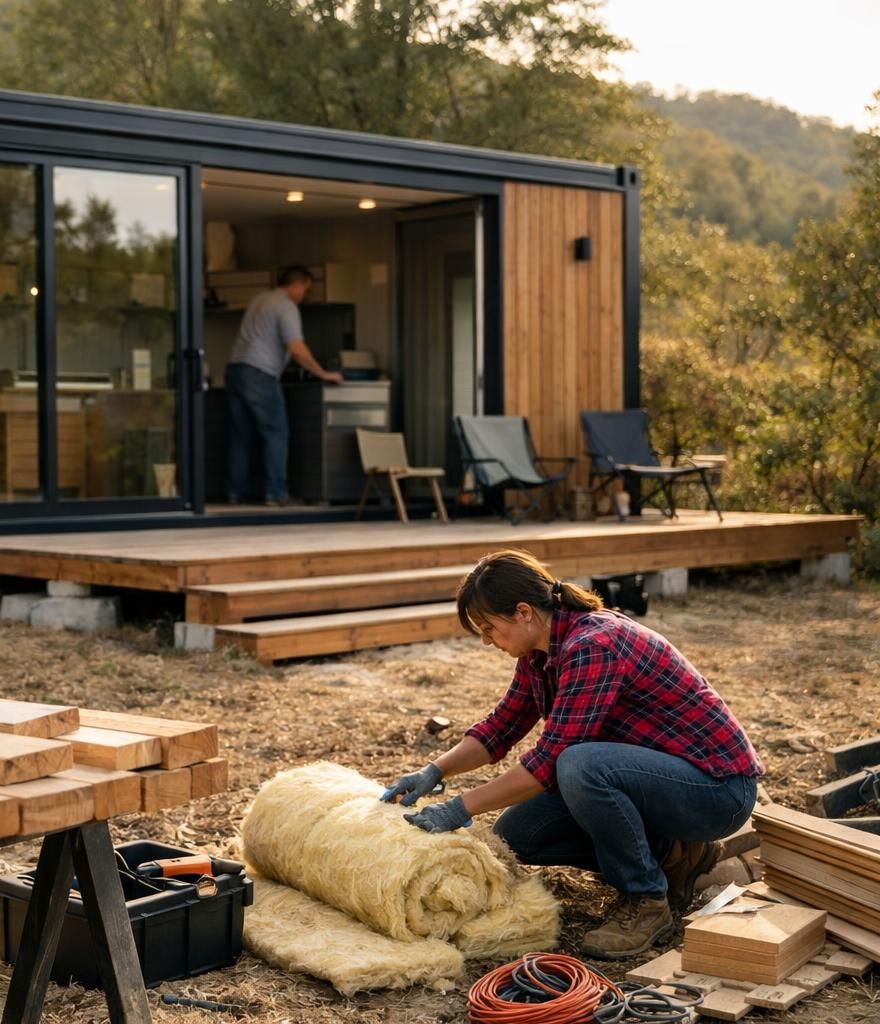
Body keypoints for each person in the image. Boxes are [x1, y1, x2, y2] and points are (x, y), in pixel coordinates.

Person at [381, 549, 763, 960]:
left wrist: (458, 809)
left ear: (523, 612)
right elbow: (501, 727)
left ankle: (647, 899)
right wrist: (435, 769)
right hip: (663, 783)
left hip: (716, 791)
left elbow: (549, 761)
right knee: (519, 835)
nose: (487, 640)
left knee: (579, 766)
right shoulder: (539, 654)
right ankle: (673, 856)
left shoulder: (592, 644)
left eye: (489, 627)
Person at [225, 265, 344, 506]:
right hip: (260, 373)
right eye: (306, 290)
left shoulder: (260, 299)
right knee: (276, 433)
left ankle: (234, 492)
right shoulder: (286, 306)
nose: (304, 296)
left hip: (236, 369)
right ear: (297, 285)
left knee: (240, 436)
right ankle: (276, 493)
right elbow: (297, 349)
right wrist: (323, 373)